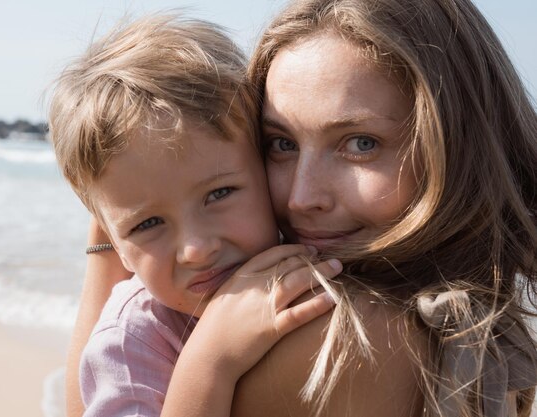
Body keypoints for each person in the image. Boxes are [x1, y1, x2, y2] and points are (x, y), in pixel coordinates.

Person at [66, 0, 537, 416]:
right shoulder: (484, 325)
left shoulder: (345, 336)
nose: (300, 198)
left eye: (360, 143)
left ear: (459, 145)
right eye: (282, 144)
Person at [48, 15, 341, 417]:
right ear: (115, 244)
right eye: (147, 224)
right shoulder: (131, 346)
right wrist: (211, 362)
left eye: (219, 193)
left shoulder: (314, 248)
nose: (197, 249)